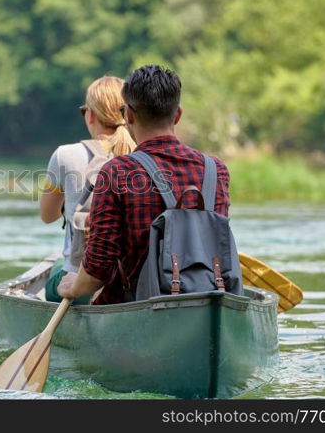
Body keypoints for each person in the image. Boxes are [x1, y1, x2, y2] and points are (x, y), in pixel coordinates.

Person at [57, 65, 231, 304]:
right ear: (177, 115)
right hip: (206, 297)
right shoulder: (216, 169)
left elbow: (99, 268)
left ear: (128, 115)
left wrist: (73, 288)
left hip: (135, 304)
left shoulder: (117, 171)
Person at [39, 76, 136, 302]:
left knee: (58, 267)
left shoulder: (65, 155)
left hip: (82, 286)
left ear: (90, 115)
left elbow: (47, 215)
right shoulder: (144, 154)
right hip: (132, 285)